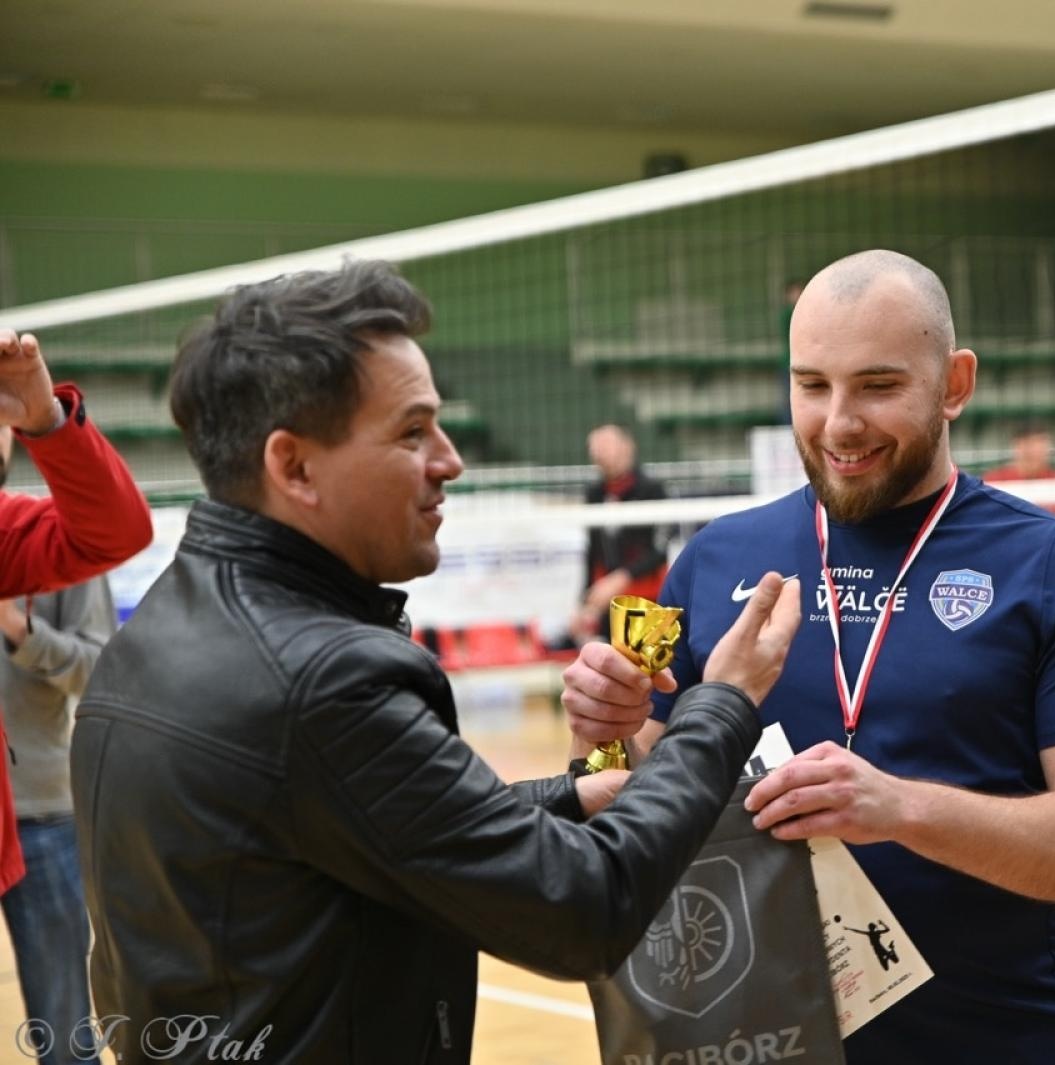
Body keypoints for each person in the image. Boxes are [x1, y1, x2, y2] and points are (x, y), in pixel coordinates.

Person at [70, 260, 802, 1065]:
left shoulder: (159, 629)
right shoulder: (322, 681)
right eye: (412, 431)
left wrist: (569, 795)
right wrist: (723, 703)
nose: (449, 459)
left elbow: (347, 821)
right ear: (294, 467)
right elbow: (587, 908)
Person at [563, 249, 1055, 1063]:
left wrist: (899, 807)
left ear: (955, 384)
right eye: (812, 385)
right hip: (756, 1040)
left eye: (877, 386)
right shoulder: (714, 559)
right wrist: (605, 728)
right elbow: (638, 796)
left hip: (998, 1041)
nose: (839, 422)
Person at [0, 327, 151, 920]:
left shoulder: (17, 530)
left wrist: (47, 422)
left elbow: (117, 532)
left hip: (41, 807)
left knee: (61, 1007)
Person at [571, 424, 669, 641]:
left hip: (647, 599)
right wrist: (584, 602)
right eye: (594, 446)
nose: (598, 452)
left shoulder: (652, 490)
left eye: (605, 445)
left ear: (627, 448)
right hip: (610, 603)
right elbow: (593, 552)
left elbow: (660, 550)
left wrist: (620, 578)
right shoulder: (594, 494)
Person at [983, 424, 1055, 521]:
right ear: (1018, 447)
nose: (1036, 452)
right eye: (1030, 447)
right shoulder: (996, 480)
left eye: (1042, 447)